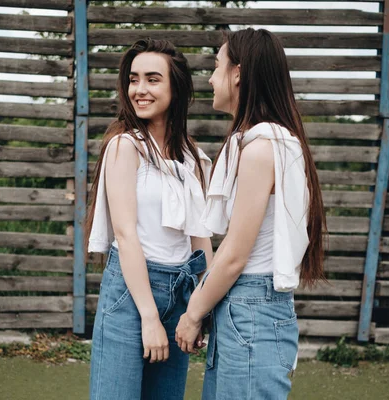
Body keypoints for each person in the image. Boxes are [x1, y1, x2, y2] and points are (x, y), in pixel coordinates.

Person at [175, 28, 328, 399]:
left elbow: (235, 253)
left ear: (238, 73)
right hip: (245, 306)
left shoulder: (261, 149)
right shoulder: (272, 141)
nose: (211, 78)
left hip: (252, 309)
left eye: (216, 66)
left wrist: (193, 313)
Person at [87, 38, 213, 400]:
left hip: (181, 292)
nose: (139, 90)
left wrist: (201, 306)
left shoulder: (194, 158)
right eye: (133, 79)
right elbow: (125, 235)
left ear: (177, 86)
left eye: (152, 79)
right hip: (131, 294)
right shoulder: (125, 146)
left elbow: (200, 239)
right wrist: (148, 318)